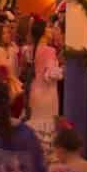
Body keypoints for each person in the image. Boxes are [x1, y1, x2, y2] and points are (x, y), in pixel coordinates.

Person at [27, 17, 64, 151]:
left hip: (34, 90)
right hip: (47, 93)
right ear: (43, 32)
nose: (51, 30)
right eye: (48, 27)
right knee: (47, 124)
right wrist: (62, 70)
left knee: (35, 121)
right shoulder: (49, 50)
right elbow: (49, 75)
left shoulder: (29, 50)